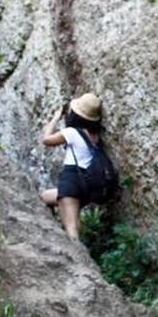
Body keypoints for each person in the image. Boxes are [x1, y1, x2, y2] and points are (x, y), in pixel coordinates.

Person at [40, 92, 103, 240]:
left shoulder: (72, 133)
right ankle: (54, 235)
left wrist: (55, 117)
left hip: (71, 181)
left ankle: (79, 261)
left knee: (72, 230)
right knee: (44, 197)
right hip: (87, 185)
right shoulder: (95, 136)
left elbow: (46, 140)